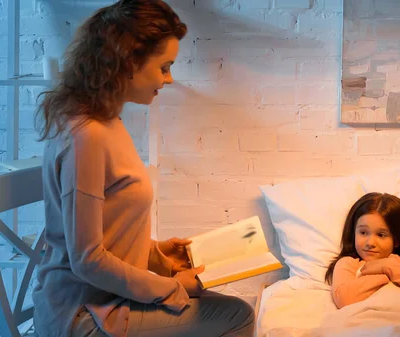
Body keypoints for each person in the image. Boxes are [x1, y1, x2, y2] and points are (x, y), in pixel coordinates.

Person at [32, 1, 254, 336]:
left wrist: (157, 255)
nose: (168, 78)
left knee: (218, 305)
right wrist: (170, 287)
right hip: (82, 313)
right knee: (238, 315)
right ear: (129, 62)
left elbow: (104, 232)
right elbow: (87, 259)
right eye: (164, 67)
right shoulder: (86, 136)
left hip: (105, 298)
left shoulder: (106, 121)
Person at [324, 192, 400, 309]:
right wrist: (384, 270)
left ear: (397, 240)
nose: (370, 243)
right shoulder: (348, 264)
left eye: (381, 235)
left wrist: (389, 267)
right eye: (363, 232)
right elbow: (344, 299)